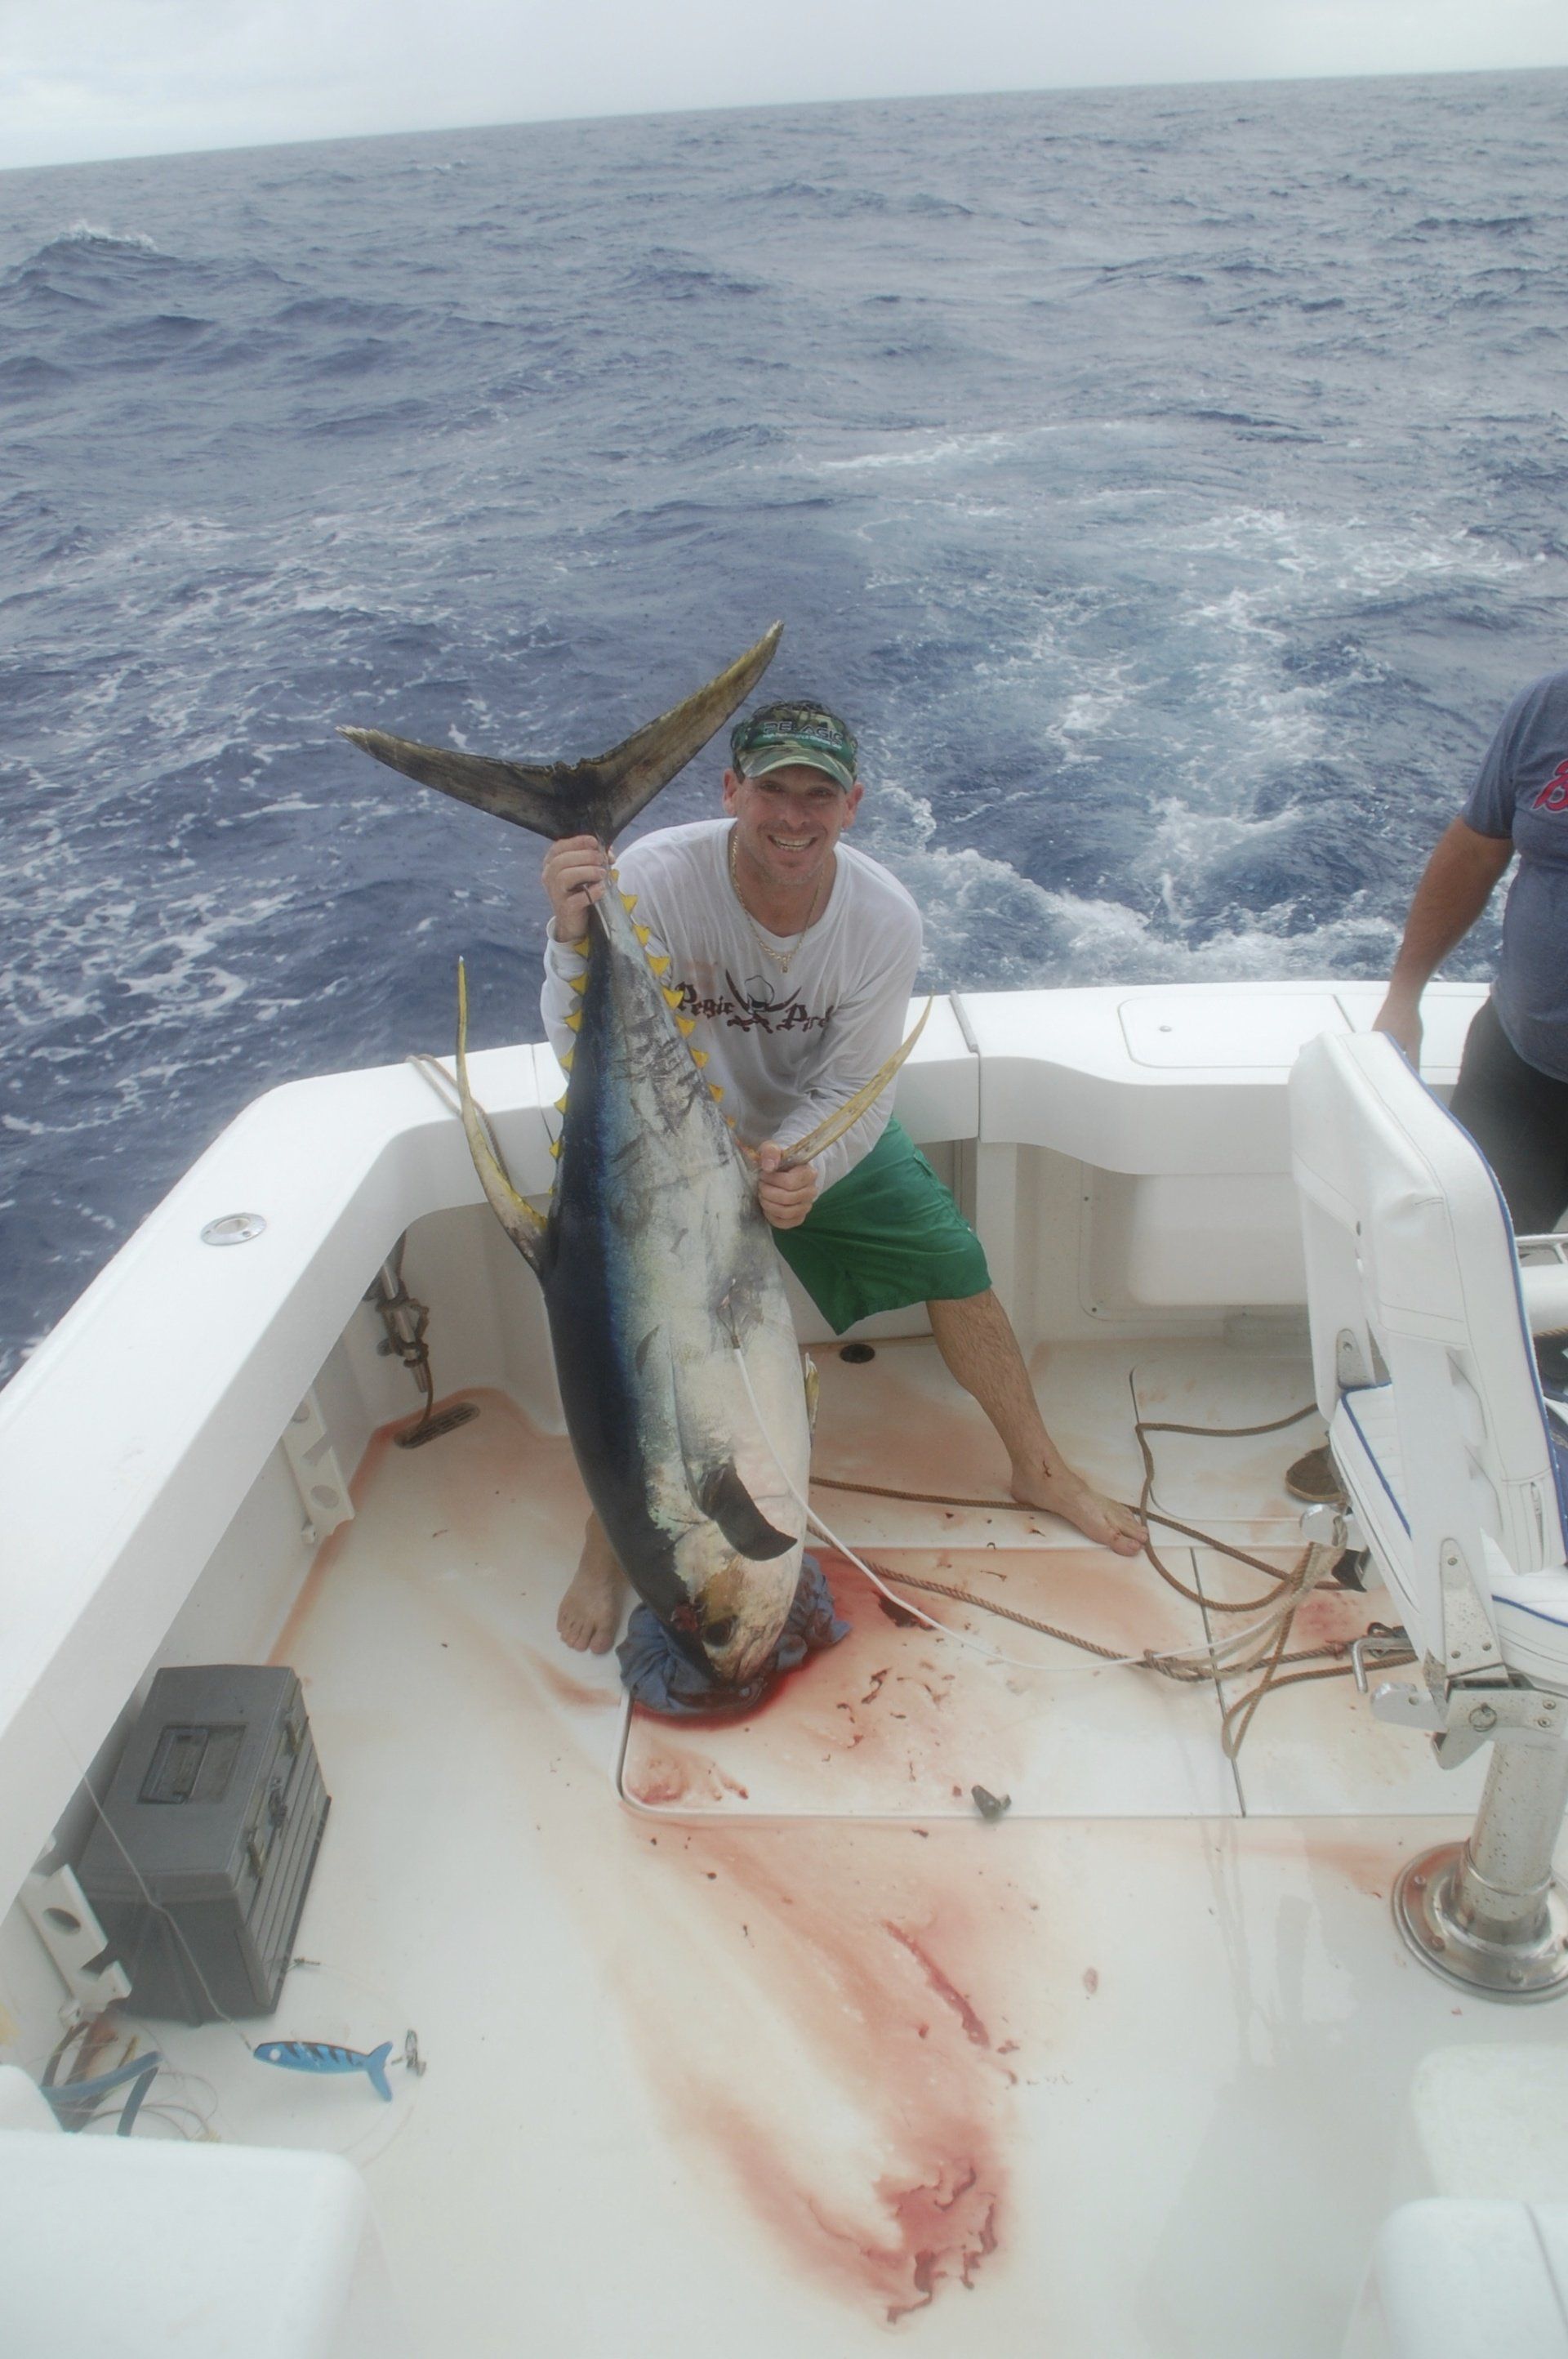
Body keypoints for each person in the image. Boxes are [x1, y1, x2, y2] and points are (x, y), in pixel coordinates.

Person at [540, 697, 1147, 1652]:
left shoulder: (880, 918)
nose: (793, 815)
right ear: (730, 789)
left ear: (853, 804)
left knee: (954, 1257)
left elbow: (856, 1081)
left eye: (816, 794)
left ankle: (1038, 1466)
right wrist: (573, 939)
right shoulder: (650, 880)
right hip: (667, 1149)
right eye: (771, 788)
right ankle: (607, 1538)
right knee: (629, 1345)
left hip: (804, 1138)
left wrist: (804, 1163)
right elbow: (578, 1041)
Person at [1287, 663, 1568, 1505]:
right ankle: (1420, 1449)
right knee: (1455, 1261)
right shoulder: (1548, 707)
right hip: (1521, 1063)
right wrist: (1403, 995)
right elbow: (1476, 849)